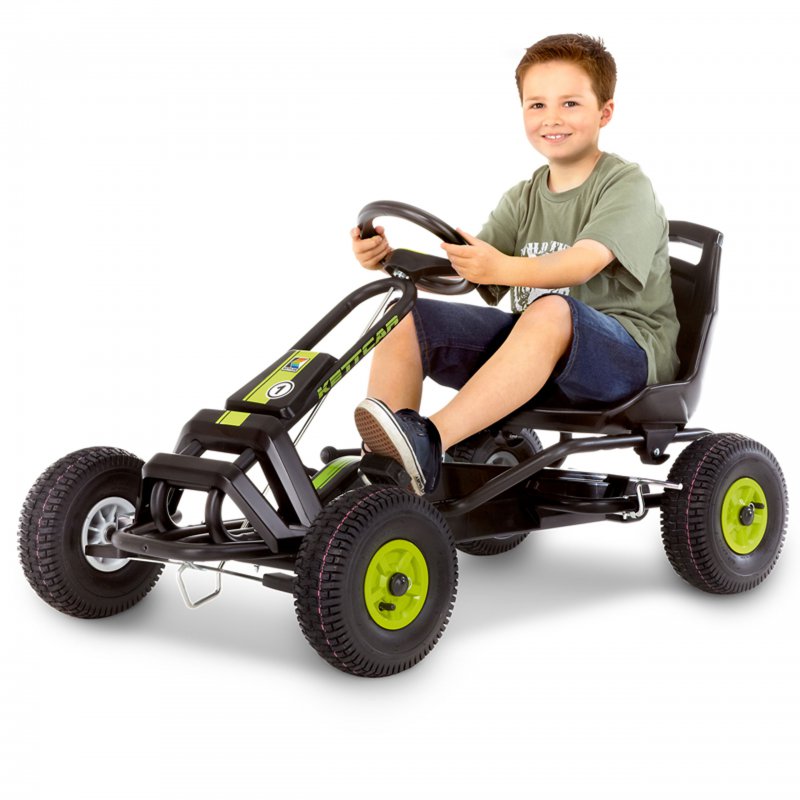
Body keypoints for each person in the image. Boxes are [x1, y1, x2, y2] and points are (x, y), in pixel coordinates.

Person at [349, 33, 679, 496]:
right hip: (538, 347)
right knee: (404, 317)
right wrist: (390, 259)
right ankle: (387, 477)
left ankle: (429, 439)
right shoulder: (523, 197)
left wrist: (500, 268)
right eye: (537, 105)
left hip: (626, 359)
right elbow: (470, 268)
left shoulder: (626, 185)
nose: (552, 118)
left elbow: (583, 263)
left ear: (605, 112)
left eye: (570, 104)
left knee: (551, 310)